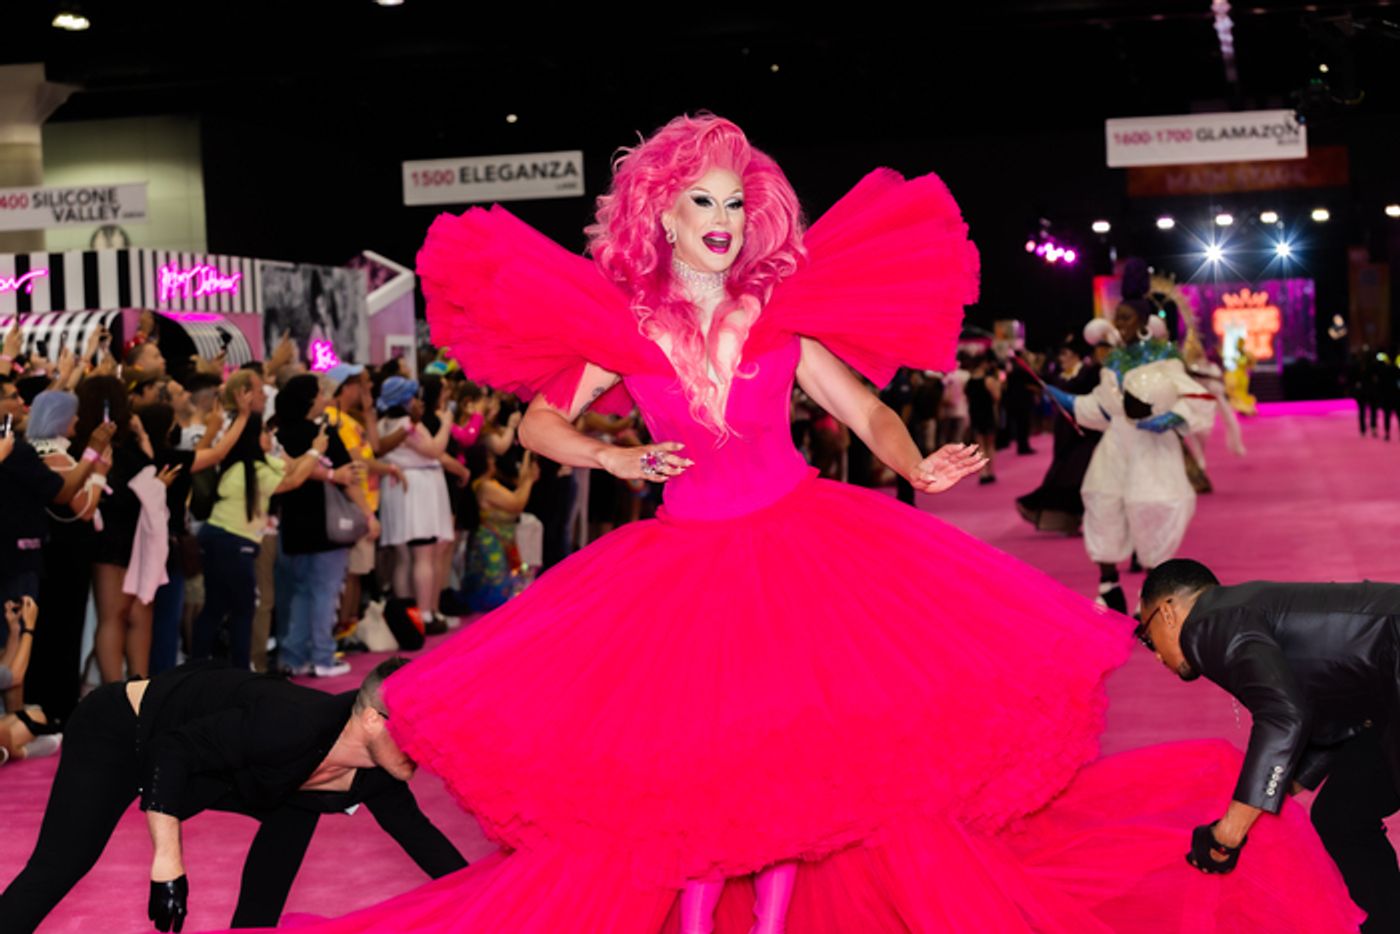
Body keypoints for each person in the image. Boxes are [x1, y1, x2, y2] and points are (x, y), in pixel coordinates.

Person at [240, 115, 1358, 933]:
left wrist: (919, 462)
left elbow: (864, 407)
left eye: (736, 200)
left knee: (799, 764)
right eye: (700, 202)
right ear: (657, 213)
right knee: (694, 770)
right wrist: (612, 451)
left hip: (804, 553)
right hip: (673, 573)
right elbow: (537, 426)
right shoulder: (623, 329)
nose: (722, 221)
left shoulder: (783, 319)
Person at [0, 657, 468, 933]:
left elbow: (421, 837)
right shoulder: (287, 723)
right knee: (60, 865)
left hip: (221, 764)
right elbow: (170, 750)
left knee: (290, 826)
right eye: (413, 733)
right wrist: (168, 859)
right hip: (125, 732)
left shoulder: (375, 772)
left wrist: (498, 897)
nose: (423, 748)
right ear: (371, 720)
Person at [1135, 558, 1400, 932]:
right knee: (1342, 817)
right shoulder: (1236, 613)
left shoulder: (1208, 624)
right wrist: (1280, 792)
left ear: (1168, 613)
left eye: (1147, 639)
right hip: (1384, 698)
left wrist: (1228, 833)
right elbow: (1327, 712)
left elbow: (1283, 715)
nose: (1158, 656)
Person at [1043, 262, 1216, 614]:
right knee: (1101, 500)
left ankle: (1149, 595)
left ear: (1143, 323)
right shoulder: (1113, 363)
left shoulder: (1165, 358)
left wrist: (1173, 417)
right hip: (1116, 447)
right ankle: (1109, 588)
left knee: (1151, 508)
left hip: (1152, 450)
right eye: (1116, 318)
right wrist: (1071, 402)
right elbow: (1105, 410)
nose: (1118, 326)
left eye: (1125, 319)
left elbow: (1195, 397)